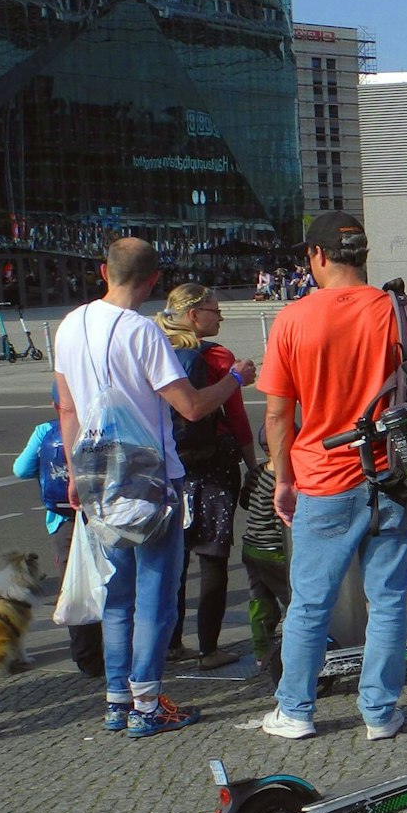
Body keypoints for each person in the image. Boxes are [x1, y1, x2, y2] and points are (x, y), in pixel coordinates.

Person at [54, 237, 255, 738]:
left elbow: (67, 407)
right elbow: (190, 406)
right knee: (156, 596)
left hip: (98, 477)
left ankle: (117, 700)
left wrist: (77, 476)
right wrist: (236, 379)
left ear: (104, 270)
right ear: (153, 280)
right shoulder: (142, 332)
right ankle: (147, 702)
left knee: (117, 594)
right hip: (149, 480)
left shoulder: (70, 324)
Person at [256, 211, 407, 741]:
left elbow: (277, 414)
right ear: (362, 254)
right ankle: (380, 713)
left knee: (311, 601)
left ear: (316, 256)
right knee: (388, 598)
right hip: (393, 472)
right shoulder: (400, 311)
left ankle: (294, 711)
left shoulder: (293, 320)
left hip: (323, 477)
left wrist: (283, 478)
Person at [156, 283, 259, 669]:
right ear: (195, 315)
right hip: (212, 468)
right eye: (216, 311)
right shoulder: (217, 358)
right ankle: (209, 648)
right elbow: (234, 418)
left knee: (174, 560)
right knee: (213, 558)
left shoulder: (157, 351)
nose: (220, 318)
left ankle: (171, 643)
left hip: (169, 467)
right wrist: (252, 465)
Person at [12, 385, 104, 677]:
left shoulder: (44, 431)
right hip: (102, 514)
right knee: (113, 582)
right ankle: (119, 651)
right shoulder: (100, 427)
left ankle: (86, 658)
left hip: (62, 520)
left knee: (76, 585)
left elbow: (20, 470)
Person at [239, 433, 289, 667]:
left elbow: (245, 501)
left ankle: (261, 650)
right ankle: (295, 643)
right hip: (274, 549)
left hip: (251, 547)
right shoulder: (287, 477)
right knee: (292, 598)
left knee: (260, 599)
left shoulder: (256, 472)